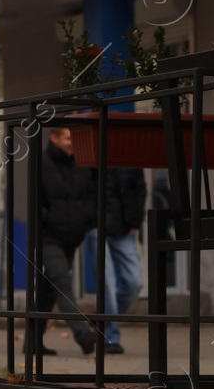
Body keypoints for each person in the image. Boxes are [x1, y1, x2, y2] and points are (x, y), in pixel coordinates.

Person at [30, 126, 98, 356]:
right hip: (49, 236)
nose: (72, 142)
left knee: (49, 289)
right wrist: (47, 219)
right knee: (62, 282)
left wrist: (87, 219)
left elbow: (91, 194)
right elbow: (30, 198)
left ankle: (32, 342)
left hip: (73, 236)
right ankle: (82, 334)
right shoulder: (40, 164)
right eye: (68, 138)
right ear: (55, 138)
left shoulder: (81, 163)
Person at [98, 167, 147, 354]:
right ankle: (110, 337)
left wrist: (135, 221)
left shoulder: (127, 155)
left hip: (125, 228)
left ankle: (103, 319)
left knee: (135, 282)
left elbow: (140, 189)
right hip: (97, 227)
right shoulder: (91, 153)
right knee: (107, 284)